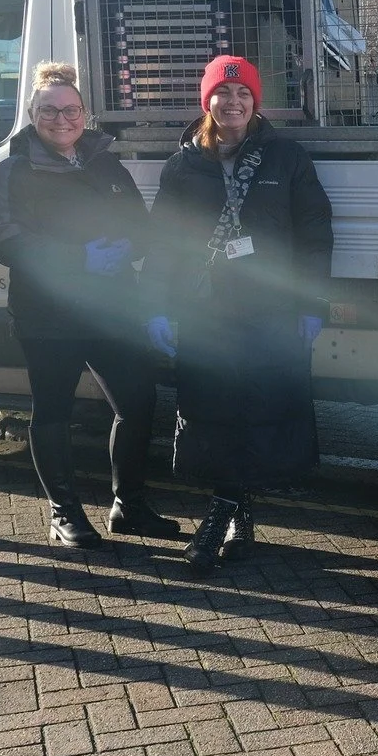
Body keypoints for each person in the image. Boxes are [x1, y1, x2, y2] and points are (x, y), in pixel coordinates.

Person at [143, 55, 333, 573]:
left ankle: (218, 519)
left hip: (269, 309)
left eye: (242, 94)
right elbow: (163, 242)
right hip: (205, 309)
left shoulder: (286, 158)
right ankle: (238, 515)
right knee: (214, 410)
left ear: (255, 101)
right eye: (222, 95)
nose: (232, 103)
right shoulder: (184, 165)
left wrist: (313, 302)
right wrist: (157, 306)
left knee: (257, 410)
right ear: (207, 101)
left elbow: (315, 234)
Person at [0, 62, 182, 548]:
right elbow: (4, 237)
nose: (61, 119)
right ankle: (64, 512)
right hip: (48, 315)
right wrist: (79, 258)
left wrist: (126, 246)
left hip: (113, 308)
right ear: (32, 113)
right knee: (53, 410)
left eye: (71, 110)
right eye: (49, 110)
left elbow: (141, 223)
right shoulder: (12, 170)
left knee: (137, 403)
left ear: (85, 114)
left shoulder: (106, 164)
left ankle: (128, 505)